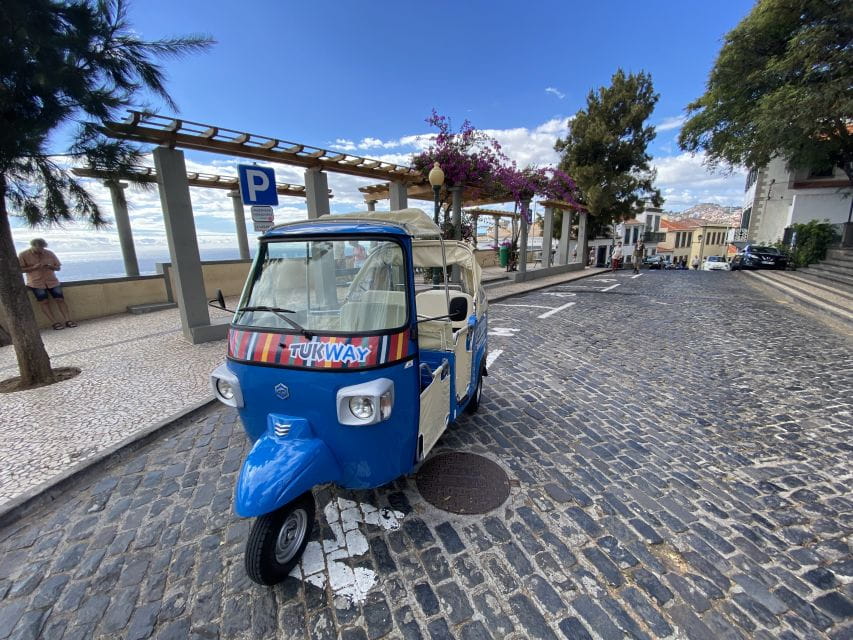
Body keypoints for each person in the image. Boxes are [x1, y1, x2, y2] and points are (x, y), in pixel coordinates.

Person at [18, 238, 77, 330]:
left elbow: (58, 268)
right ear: (33, 246)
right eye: (39, 248)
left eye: (42, 248)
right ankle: (54, 323)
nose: (41, 250)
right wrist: (33, 268)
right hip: (36, 283)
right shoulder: (23, 255)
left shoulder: (49, 253)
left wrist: (51, 267)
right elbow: (20, 270)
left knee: (60, 300)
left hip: (52, 281)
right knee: (44, 302)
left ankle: (68, 320)